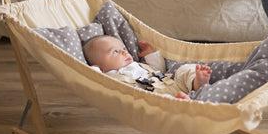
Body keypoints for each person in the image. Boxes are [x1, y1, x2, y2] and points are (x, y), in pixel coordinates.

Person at [83, 35, 211, 100]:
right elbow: (94, 79)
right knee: (161, 101)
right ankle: (180, 104)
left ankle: (197, 82)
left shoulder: (138, 64)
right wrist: (94, 71)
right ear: (99, 66)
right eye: (115, 52)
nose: (124, 52)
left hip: (171, 84)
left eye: (123, 49)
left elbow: (158, 69)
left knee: (184, 69)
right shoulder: (107, 76)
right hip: (153, 99)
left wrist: (150, 54)